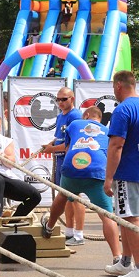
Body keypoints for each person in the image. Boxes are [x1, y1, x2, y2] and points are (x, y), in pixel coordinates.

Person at [41, 107, 121, 259]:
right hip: (96, 171)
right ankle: (117, 257)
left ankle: (49, 226)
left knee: (63, 195)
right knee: (107, 215)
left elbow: (66, 148)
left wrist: (51, 148)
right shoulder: (108, 131)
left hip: (73, 168)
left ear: (86, 115)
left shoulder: (76, 123)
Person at [104, 70, 139, 277]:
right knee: (126, 216)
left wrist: (108, 178)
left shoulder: (123, 109)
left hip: (128, 170)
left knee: (131, 218)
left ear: (118, 86)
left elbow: (116, 145)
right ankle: (126, 262)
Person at [42, 87, 85, 241]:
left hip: (72, 160)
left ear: (72, 99)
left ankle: (79, 234)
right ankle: (69, 231)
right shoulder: (61, 116)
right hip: (61, 159)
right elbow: (60, 137)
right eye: (58, 99)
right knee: (64, 197)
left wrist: (51, 149)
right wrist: (50, 145)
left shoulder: (76, 116)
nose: (60, 102)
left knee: (75, 197)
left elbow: (72, 143)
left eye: (64, 99)